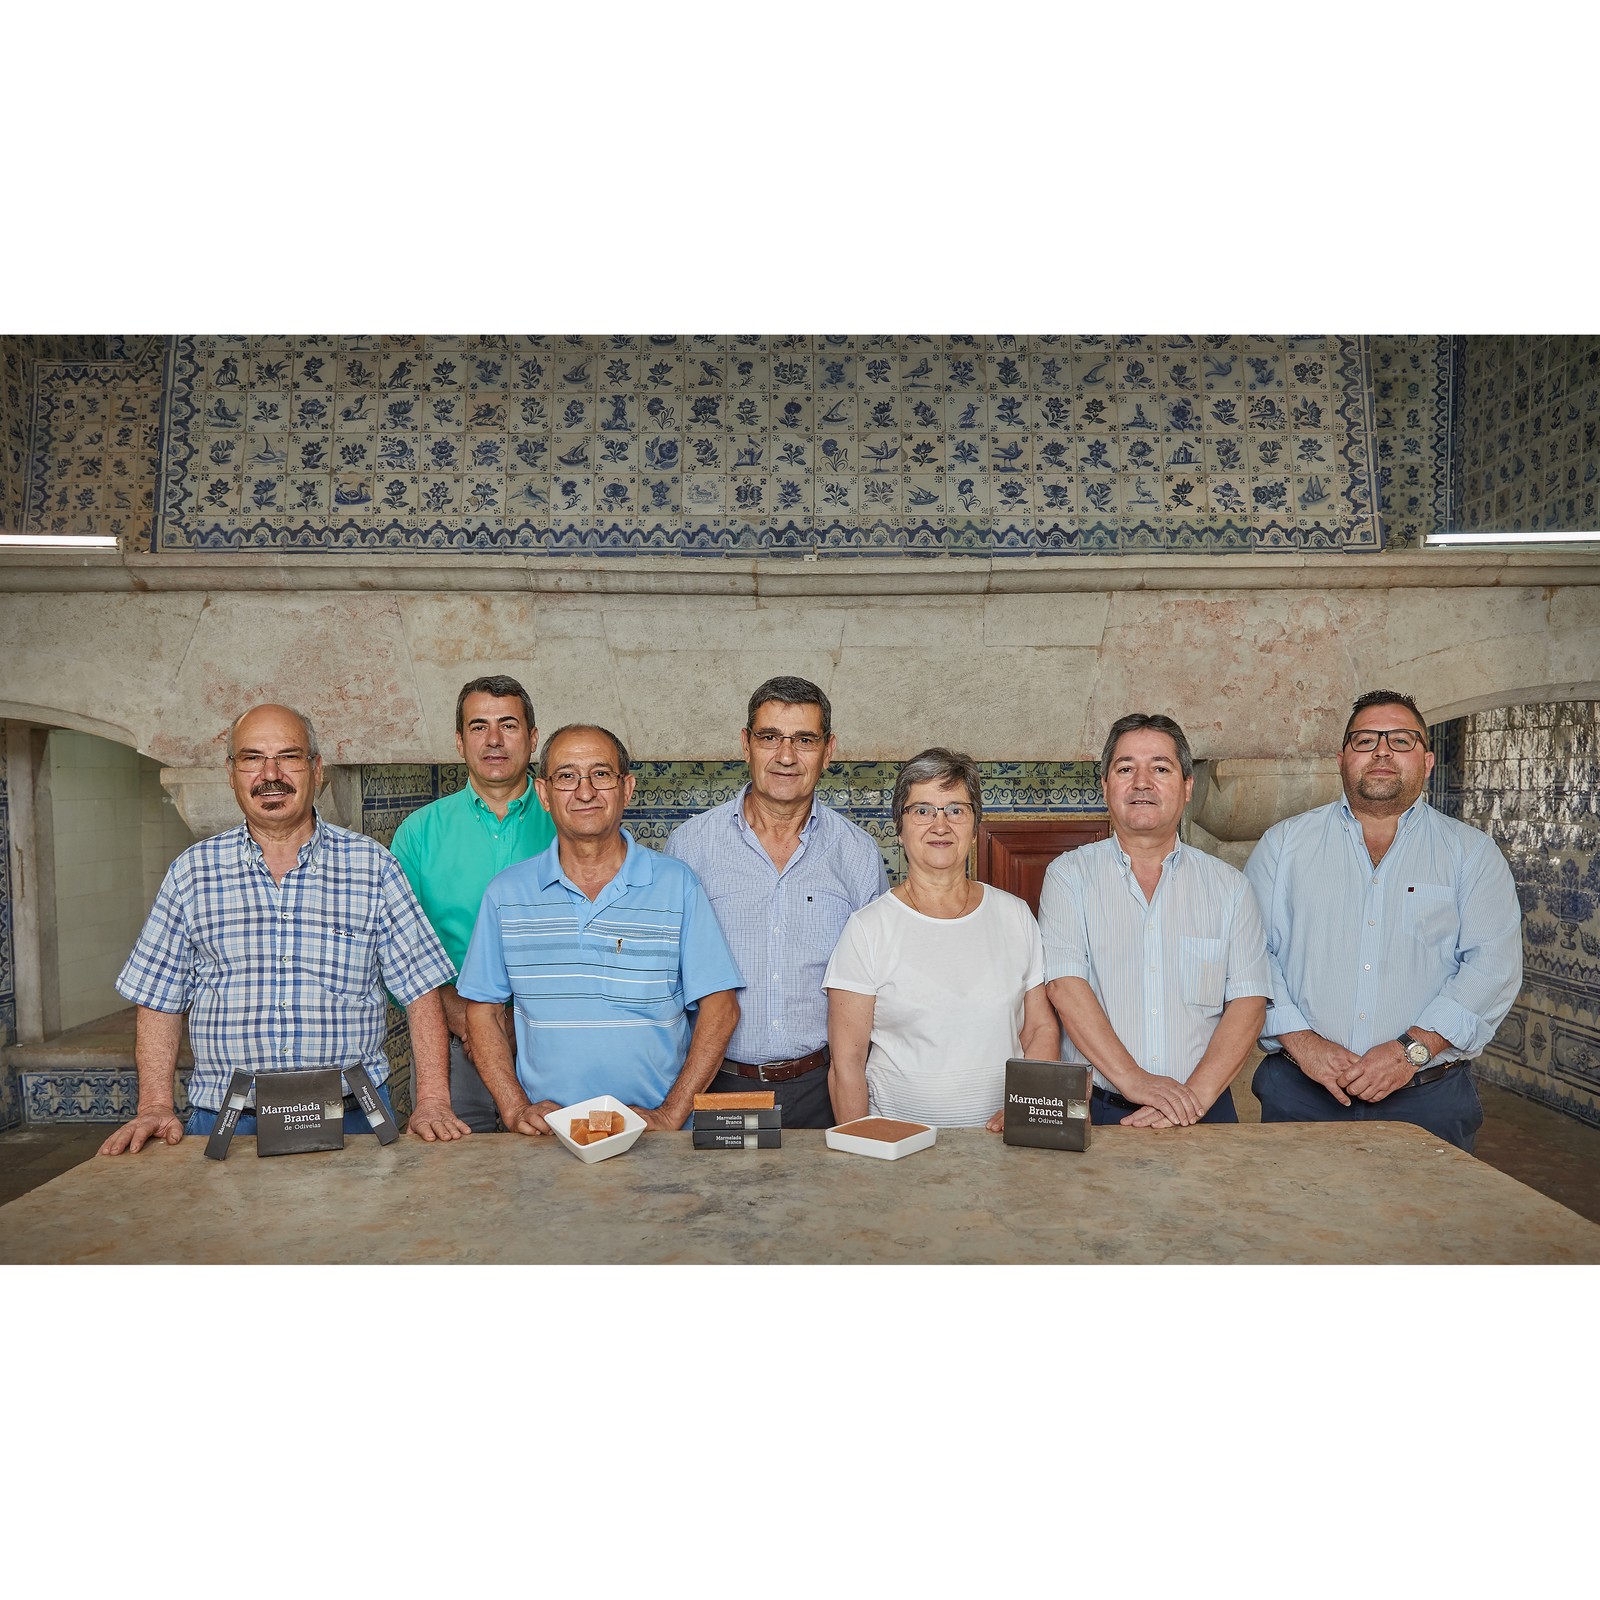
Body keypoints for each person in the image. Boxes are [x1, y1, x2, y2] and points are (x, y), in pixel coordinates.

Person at [99, 703, 455, 1155]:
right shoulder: (192, 874)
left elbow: (421, 991)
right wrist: (154, 1105)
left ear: (317, 769)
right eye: (252, 758)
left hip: (353, 1118)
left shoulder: (373, 867)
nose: (271, 774)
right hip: (227, 1122)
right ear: (231, 773)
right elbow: (157, 999)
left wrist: (433, 1101)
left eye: (288, 756)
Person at [1243, 689, 1522, 1153]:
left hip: (1428, 1098)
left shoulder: (1471, 854)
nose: (1382, 751)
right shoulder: (1283, 845)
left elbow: (1492, 968)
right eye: (1366, 740)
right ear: (1342, 759)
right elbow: (1250, 955)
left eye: (1401, 740)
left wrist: (1409, 1052)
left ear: (1427, 762)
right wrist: (1304, 1043)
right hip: (1301, 1093)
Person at [456, 723, 742, 1133]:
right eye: (567, 776)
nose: (585, 791)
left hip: (655, 1139)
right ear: (544, 794)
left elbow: (721, 1007)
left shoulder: (677, 885)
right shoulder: (506, 894)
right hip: (548, 1137)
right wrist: (515, 1108)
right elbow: (482, 1011)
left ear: (627, 788)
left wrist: (672, 1113)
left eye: (601, 774)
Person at [664, 674, 887, 1127]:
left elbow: (879, 981)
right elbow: (666, 975)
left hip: (824, 1087)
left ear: (828, 750)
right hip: (718, 1086)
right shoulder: (690, 846)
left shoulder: (858, 854)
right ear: (746, 744)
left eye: (804, 739)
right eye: (770, 737)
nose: (786, 756)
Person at [1038, 712, 1270, 1127]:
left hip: (1204, 1107)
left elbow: (1248, 1003)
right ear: (1105, 785)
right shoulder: (1068, 876)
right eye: (1125, 769)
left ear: (1187, 786)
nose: (1141, 782)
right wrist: (1135, 1080)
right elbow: (1065, 986)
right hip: (1099, 1110)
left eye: (1160, 768)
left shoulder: (1230, 887)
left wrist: (1189, 1101)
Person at [824, 748, 1055, 1129]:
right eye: (922, 810)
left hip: (1003, 1144)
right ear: (899, 829)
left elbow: (1038, 1029)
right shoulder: (867, 929)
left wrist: (1027, 1111)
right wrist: (863, 1149)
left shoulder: (1014, 915)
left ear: (975, 827)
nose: (940, 825)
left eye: (956, 810)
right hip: (898, 1146)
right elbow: (846, 1064)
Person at [390, 674, 555, 1139]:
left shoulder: (568, 821)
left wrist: (522, 1021)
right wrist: (464, 1018)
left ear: (533, 738)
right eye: (479, 727)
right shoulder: (418, 834)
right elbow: (398, 952)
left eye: (508, 725)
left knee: (556, 1169)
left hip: (552, 1040)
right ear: (460, 741)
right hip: (451, 1045)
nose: (494, 740)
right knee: (457, 1170)